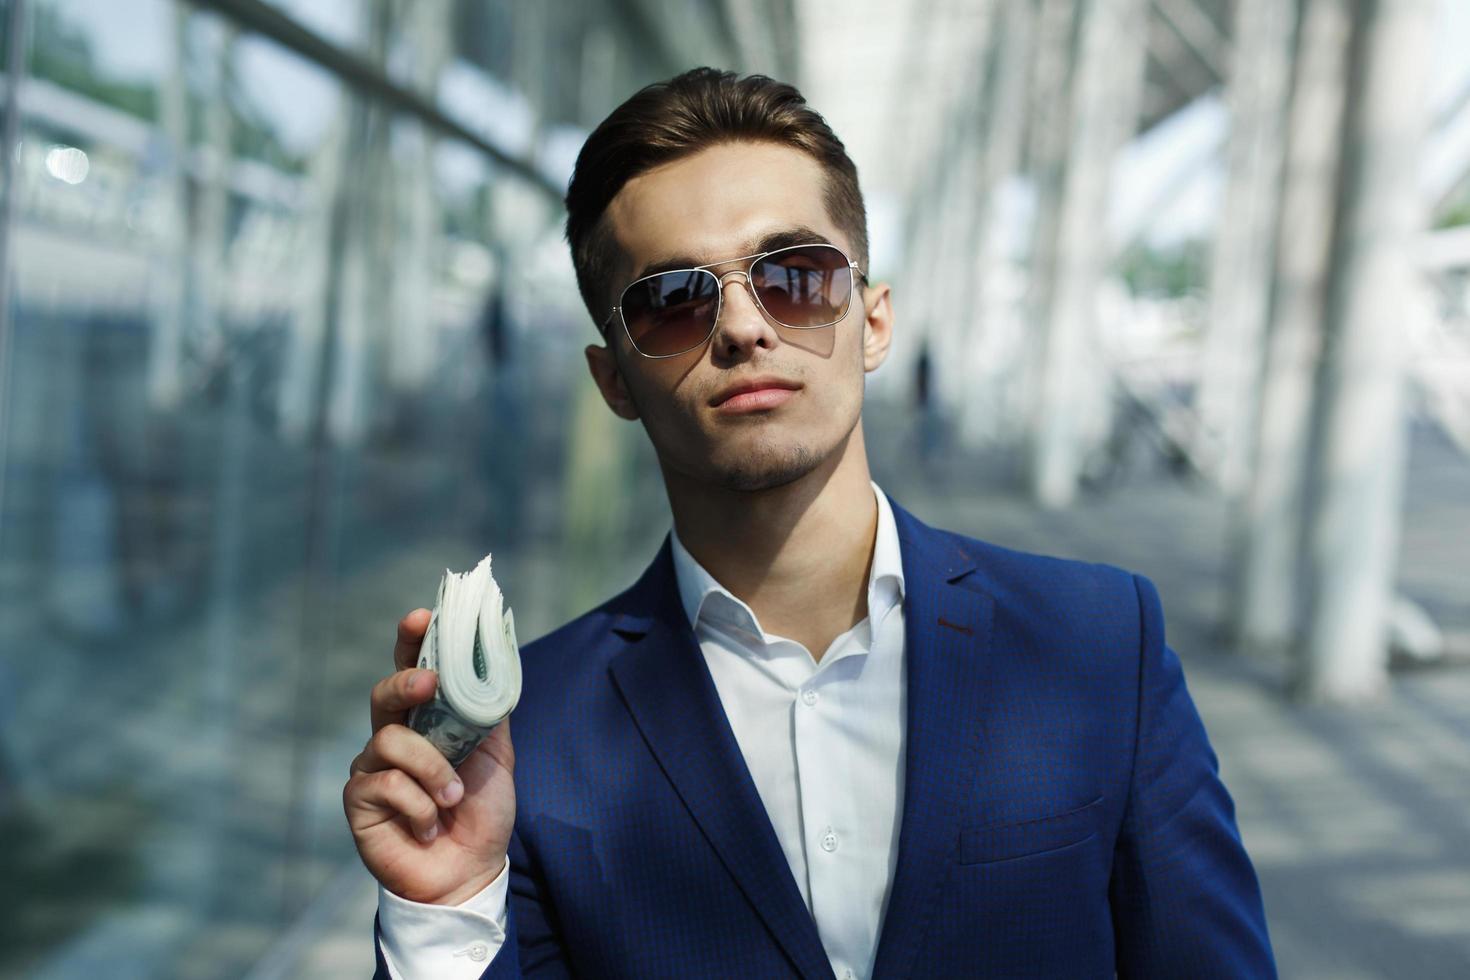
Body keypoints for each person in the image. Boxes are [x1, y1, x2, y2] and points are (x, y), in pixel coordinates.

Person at [343, 68, 1276, 979]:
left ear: (872, 322)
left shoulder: (1100, 644)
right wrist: (445, 913)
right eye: (674, 300)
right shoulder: (531, 734)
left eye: (794, 276)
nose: (744, 327)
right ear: (613, 381)